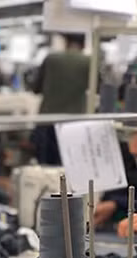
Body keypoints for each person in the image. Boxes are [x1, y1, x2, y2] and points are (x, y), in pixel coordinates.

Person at [31, 34, 90, 165]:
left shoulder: (50, 59)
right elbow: (98, 88)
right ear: (84, 45)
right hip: (74, 121)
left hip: (47, 120)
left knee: (46, 165)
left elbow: (36, 89)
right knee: (70, 164)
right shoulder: (88, 62)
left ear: (66, 43)